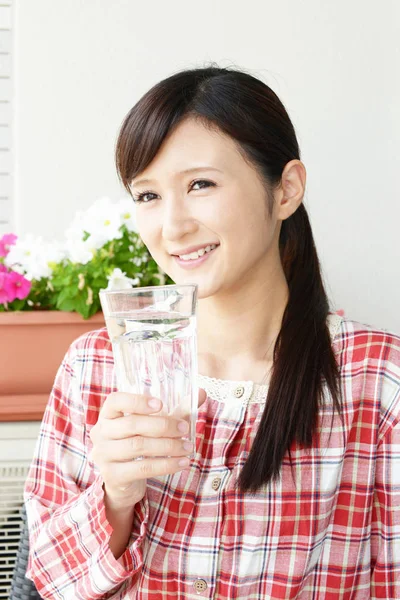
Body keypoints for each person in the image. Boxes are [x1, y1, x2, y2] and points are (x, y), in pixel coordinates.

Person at [24, 65, 400, 599]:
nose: (172, 226)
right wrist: (116, 494)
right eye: (148, 195)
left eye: (200, 184)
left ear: (286, 189)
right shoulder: (96, 365)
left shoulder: (380, 380)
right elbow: (51, 582)